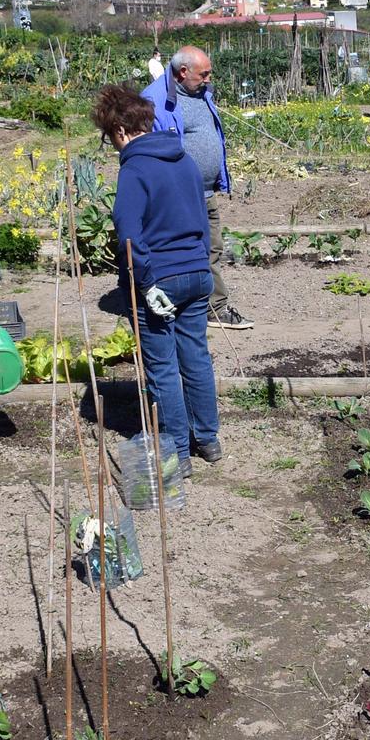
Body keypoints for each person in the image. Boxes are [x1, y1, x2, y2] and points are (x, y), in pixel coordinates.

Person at [97, 83, 220, 503]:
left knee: (163, 367)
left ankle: (177, 452)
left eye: (108, 138)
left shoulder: (134, 170)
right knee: (196, 356)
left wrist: (146, 283)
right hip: (197, 273)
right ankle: (209, 440)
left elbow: (129, 236)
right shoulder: (183, 160)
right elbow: (203, 221)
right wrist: (200, 263)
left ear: (120, 131)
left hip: (160, 279)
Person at [143, 46, 252, 330]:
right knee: (187, 252)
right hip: (178, 195)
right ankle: (193, 309)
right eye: (203, 74)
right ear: (183, 72)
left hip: (205, 191)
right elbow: (147, 152)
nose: (208, 78)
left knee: (212, 247)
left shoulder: (201, 93)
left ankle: (211, 308)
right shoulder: (154, 101)